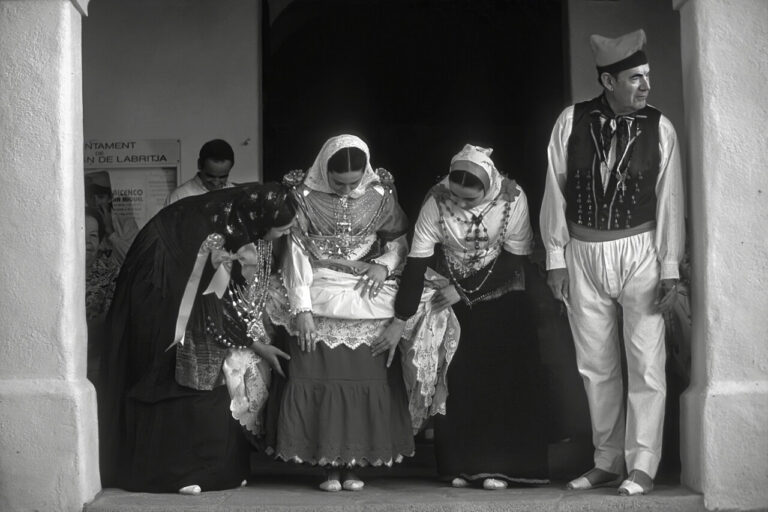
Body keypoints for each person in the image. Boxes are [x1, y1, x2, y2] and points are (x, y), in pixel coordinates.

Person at [265, 134, 459, 492]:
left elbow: (400, 243)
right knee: (317, 375)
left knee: (370, 376)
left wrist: (384, 265)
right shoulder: (302, 196)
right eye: (338, 183)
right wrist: (302, 308)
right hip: (316, 286)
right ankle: (327, 465)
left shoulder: (380, 194)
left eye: (353, 183)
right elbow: (294, 251)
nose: (346, 189)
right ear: (324, 170)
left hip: (366, 287)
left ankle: (357, 462)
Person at [539, 29, 684, 496]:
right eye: (635, 78)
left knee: (646, 362)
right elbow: (555, 188)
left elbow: (669, 201)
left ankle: (642, 464)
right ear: (607, 80)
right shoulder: (571, 121)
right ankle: (607, 459)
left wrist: (669, 267)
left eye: (647, 76)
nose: (646, 86)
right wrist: (555, 257)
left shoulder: (660, 128)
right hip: (582, 253)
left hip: (640, 251)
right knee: (595, 365)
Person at [98, 182, 297, 494]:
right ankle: (174, 474)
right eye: (282, 229)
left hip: (188, 294)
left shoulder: (233, 220)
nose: (284, 235)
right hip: (162, 288)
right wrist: (257, 344)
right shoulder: (215, 233)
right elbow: (215, 301)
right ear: (263, 219)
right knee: (173, 372)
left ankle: (209, 471)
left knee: (208, 376)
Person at [375, 144, 549, 490]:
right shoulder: (436, 201)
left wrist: (464, 290)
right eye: (457, 196)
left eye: (471, 199)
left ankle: (501, 467)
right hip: (450, 298)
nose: (462, 204)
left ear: (488, 187)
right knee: (456, 380)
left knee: (500, 380)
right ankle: (461, 465)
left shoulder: (513, 198)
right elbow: (416, 263)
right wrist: (401, 319)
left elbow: (514, 260)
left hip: (502, 296)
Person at [85, 172, 140, 264]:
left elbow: (135, 259)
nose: (96, 203)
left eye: (101, 197)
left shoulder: (125, 222)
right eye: (91, 198)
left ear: (110, 198)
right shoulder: (82, 221)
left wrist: (111, 232)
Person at [165, 139, 235, 205]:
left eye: (222, 177)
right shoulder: (178, 197)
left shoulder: (236, 195)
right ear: (199, 164)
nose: (216, 183)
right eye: (210, 176)